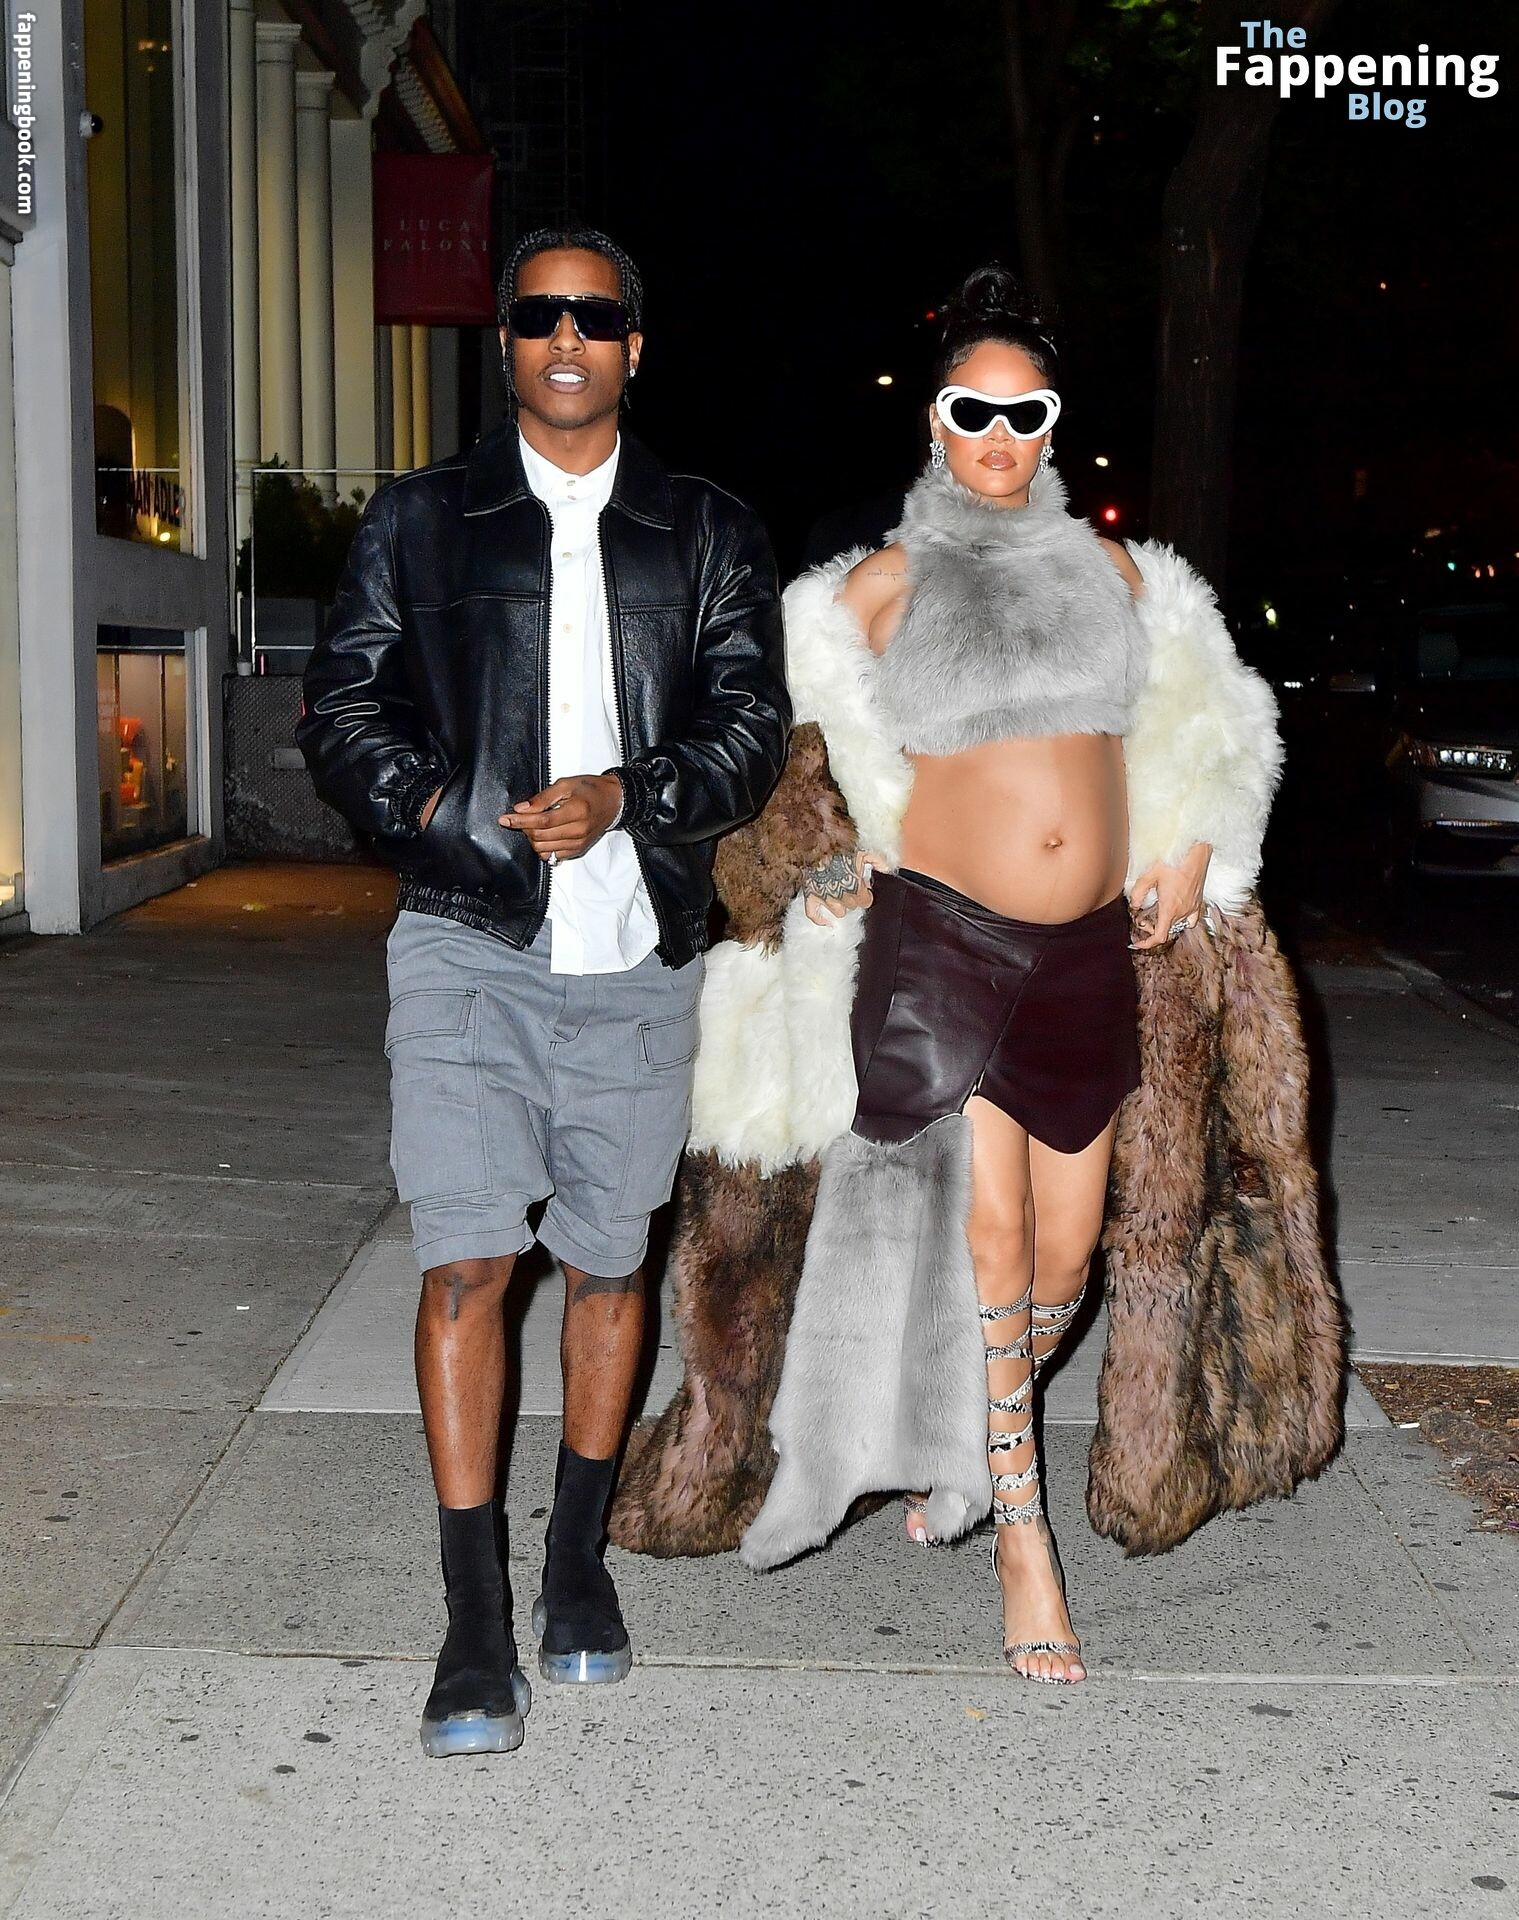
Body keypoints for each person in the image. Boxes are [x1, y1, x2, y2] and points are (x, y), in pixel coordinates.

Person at [610, 267, 1344, 1684]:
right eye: (973, 411)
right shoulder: (874, 589)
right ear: (936, 422)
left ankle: (964, 1428)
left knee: (1067, 1255)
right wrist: (820, 860)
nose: (999, 437)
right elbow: (773, 757)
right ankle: (1022, 1537)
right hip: (942, 949)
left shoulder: (1128, 582)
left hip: (1092, 957)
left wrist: (1196, 846)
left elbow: (1215, 736)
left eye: (1026, 413)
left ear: (1052, 424)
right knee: (994, 1241)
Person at [298, 226, 789, 1754]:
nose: (565, 336)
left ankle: (576, 1565)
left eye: (594, 314)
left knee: (606, 1269)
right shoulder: (421, 519)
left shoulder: (704, 530)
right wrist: (445, 812)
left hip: (635, 953)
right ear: (505, 341)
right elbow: (342, 709)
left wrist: (629, 799)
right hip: (467, 938)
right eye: (537, 313)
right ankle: (472, 1622)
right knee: (464, 1263)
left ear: (635, 344)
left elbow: (749, 734)